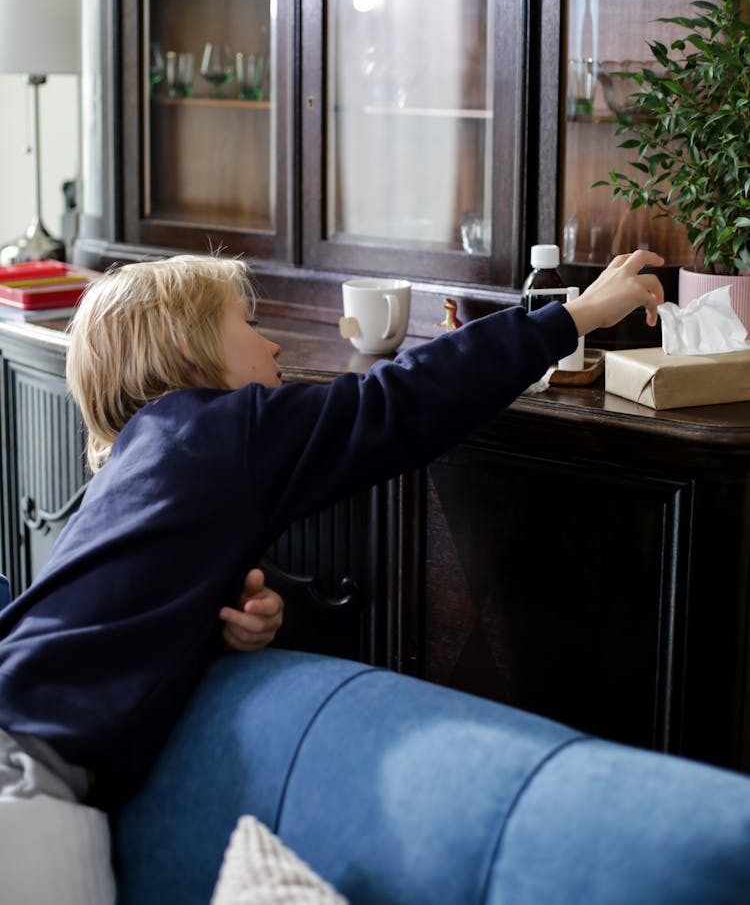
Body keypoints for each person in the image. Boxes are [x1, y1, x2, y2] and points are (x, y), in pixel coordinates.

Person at [0, 248, 665, 903]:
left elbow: (119, 609)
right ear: (189, 350)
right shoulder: (231, 428)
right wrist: (571, 316)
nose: (275, 347)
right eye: (249, 323)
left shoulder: (135, 465)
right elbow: (401, 400)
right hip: (30, 784)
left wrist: (215, 617)